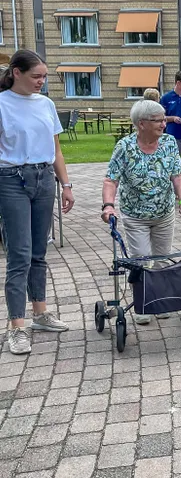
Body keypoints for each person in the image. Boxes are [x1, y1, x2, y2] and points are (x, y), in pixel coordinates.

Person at [0, 50, 73, 354]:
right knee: (19, 255)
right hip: (11, 180)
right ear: (16, 72)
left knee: (39, 251)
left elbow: (55, 149)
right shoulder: (2, 104)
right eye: (36, 76)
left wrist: (66, 184)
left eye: (44, 76)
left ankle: (41, 314)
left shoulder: (46, 104)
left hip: (44, 180)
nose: (42, 82)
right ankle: (17, 326)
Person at [101, 100, 181, 325]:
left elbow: (178, 175)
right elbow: (111, 179)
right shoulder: (125, 147)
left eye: (164, 119)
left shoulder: (169, 143)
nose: (164, 123)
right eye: (158, 120)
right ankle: (142, 304)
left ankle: (159, 302)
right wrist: (108, 205)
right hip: (135, 216)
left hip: (164, 213)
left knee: (162, 260)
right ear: (141, 124)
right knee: (141, 260)